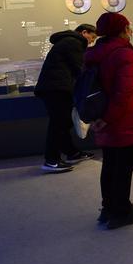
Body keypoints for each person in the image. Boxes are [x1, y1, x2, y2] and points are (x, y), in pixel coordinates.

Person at [84, 12, 133, 229]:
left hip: (104, 117)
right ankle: (121, 211)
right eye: (128, 27)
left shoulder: (95, 52)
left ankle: (108, 208)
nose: (130, 31)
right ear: (121, 30)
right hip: (122, 120)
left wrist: (100, 118)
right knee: (123, 167)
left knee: (111, 164)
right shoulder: (123, 54)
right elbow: (124, 93)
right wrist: (108, 118)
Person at [34, 23, 98, 173]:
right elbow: (79, 69)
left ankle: (71, 153)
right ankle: (51, 160)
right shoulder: (74, 42)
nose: (92, 41)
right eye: (92, 37)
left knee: (62, 122)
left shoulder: (67, 41)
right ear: (84, 32)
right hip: (57, 89)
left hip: (54, 88)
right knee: (58, 124)